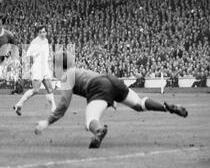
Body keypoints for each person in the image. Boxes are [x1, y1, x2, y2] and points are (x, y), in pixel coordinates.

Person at [35, 52, 188, 149]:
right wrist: (112, 98)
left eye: (53, 66)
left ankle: (99, 131)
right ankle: (168, 107)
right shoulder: (80, 71)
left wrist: (47, 121)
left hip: (99, 87)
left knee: (90, 122)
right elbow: (103, 82)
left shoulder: (66, 76)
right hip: (111, 80)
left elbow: (64, 104)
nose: (52, 70)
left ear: (60, 66)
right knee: (139, 104)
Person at [13, 25, 56, 115]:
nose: (42, 34)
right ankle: (19, 104)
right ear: (38, 33)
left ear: (46, 32)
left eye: (44, 32)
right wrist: (29, 66)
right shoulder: (35, 42)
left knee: (50, 88)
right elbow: (28, 54)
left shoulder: (46, 41)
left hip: (45, 67)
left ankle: (54, 109)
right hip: (37, 67)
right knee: (36, 90)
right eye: (40, 32)